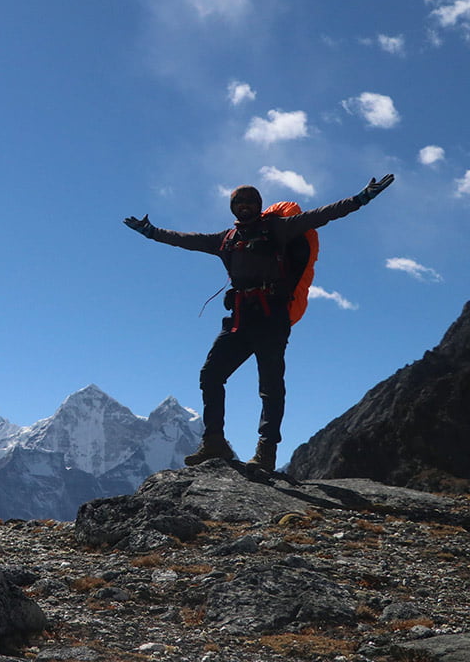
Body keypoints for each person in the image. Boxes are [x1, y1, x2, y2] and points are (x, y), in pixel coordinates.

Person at [123, 174, 395, 472]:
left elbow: (322, 215)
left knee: (270, 385)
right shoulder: (226, 239)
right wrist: (151, 232)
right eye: (239, 202)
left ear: (259, 205)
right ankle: (214, 442)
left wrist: (360, 199)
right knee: (211, 374)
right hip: (240, 320)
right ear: (232, 207)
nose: (244, 206)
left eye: (250, 201)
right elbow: (187, 240)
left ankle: (266, 450)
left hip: (272, 317)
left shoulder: (278, 229)